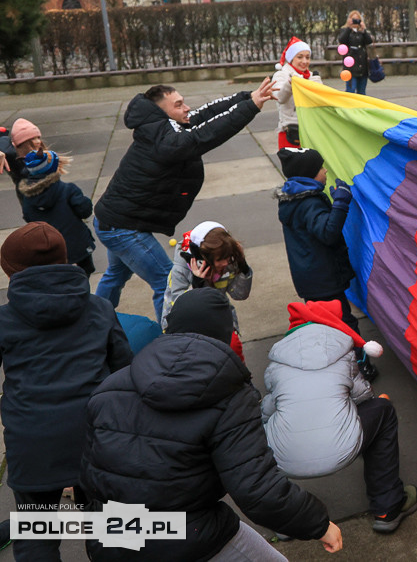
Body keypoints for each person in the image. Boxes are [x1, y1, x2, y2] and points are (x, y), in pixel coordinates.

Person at [79, 288, 342, 561]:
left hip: (113, 536)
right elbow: (258, 491)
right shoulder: (231, 396)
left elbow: (88, 477)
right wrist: (318, 524)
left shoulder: (110, 388)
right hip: (189, 535)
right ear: (226, 334)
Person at [0, 222, 132, 561]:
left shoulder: (5, 319)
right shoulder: (100, 309)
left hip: (32, 444)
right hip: (97, 438)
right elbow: (125, 374)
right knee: (113, 529)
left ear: (12, 273)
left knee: (36, 534)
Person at [93, 79, 274, 321]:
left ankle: (94, 320)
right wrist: (250, 107)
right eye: (178, 105)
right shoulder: (165, 139)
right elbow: (205, 135)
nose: (186, 107)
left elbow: (206, 114)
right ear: (161, 111)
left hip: (113, 219)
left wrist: (246, 97)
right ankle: (171, 339)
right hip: (122, 227)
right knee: (165, 282)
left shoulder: (164, 125)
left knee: (115, 274)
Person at [262, 300, 417, 534]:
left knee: (267, 426)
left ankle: (286, 520)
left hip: (282, 455)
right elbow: (363, 395)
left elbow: (268, 408)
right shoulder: (343, 352)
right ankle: (387, 507)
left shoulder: (278, 358)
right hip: (341, 447)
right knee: (382, 410)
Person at [274, 147, 378, 380]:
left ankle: (328, 364)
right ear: (309, 174)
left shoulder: (292, 199)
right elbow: (328, 232)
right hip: (323, 279)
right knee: (345, 323)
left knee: (322, 322)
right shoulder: (309, 203)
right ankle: (362, 369)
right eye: (321, 168)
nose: (325, 171)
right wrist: (340, 202)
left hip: (309, 277)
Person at [162, 220, 251, 360]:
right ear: (202, 258)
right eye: (221, 259)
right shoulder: (181, 270)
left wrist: (242, 267)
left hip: (216, 316)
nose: (226, 262)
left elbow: (240, 295)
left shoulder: (227, 261)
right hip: (186, 326)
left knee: (233, 348)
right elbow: (179, 308)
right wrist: (197, 284)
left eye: (228, 257)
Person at [18, 149, 98, 274]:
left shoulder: (28, 198)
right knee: (86, 270)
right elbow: (84, 210)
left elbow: (29, 218)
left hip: (51, 247)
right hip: (77, 242)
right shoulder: (67, 190)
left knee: (61, 275)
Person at [273, 36, 323, 148]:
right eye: (299, 57)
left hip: (311, 131)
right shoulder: (282, 75)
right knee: (292, 165)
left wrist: (319, 87)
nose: (304, 61)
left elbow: (321, 102)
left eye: (307, 57)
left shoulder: (311, 76)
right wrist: (291, 83)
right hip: (291, 132)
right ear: (291, 58)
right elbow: (279, 98)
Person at [1, 118, 46, 193]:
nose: (38, 142)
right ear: (23, 143)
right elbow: (7, 149)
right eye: (33, 139)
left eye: (38, 137)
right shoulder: (18, 162)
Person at [338, 10, 374, 95]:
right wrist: (349, 28)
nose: (355, 21)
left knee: (362, 92)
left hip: (362, 65)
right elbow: (342, 40)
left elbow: (369, 41)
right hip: (350, 66)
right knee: (350, 90)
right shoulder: (345, 30)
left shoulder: (362, 32)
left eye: (357, 19)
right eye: (353, 19)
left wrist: (364, 30)